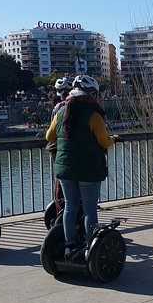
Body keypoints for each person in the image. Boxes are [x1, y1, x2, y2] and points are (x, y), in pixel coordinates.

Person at [45, 75, 116, 261]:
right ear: (91, 94)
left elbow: (49, 136)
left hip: (65, 169)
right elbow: (104, 141)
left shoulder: (62, 112)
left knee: (70, 206)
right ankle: (89, 247)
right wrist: (114, 140)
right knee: (90, 209)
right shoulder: (94, 115)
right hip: (88, 169)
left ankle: (69, 246)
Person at [46, 76, 74, 213]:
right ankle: (63, 208)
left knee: (61, 178)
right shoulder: (64, 108)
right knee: (65, 179)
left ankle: (61, 207)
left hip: (56, 147)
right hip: (64, 148)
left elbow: (50, 134)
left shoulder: (57, 108)